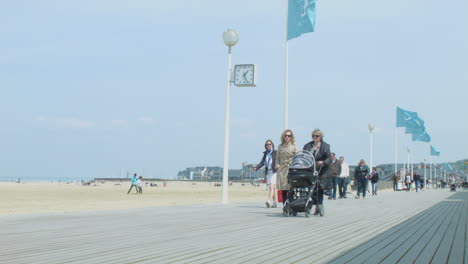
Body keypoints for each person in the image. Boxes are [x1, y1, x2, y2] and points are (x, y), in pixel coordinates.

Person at [303, 129, 331, 216]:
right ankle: (314, 203)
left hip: (321, 170)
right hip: (310, 169)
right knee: (311, 189)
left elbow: (329, 158)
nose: (315, 137)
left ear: (321, 137)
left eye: (317, 136)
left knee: (319, 189)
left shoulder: (325, 146)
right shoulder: (308, 145)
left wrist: (323, 162)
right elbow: (303, 155)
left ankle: (319, 206)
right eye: (313, 136)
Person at [275, 129, 298, 207]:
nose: (287, 137)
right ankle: (285, 205)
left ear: (291, 137)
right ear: (283, 136)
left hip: (291, 168)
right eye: (286, 135)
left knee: (290, 187)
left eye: (289, 135)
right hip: (282, 169)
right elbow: (277, 158)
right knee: (283, 188)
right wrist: (277, 165)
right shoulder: (280, 146)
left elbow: (297, 157)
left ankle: (291, 204)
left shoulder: (294, 145)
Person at [254, 139, 278, 208]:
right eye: (267, 144)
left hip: (274, 171)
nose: (268, 145)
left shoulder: (276, 152)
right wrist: (257, 167)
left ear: (272, 145)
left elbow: (279, 160)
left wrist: (279, 166)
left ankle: (269, 201)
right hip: (268, 172)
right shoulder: (265, 154)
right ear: (265, 146)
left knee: (271, 186)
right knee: (273, 188)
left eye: (270, 144)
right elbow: (262, 162)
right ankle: (275, 202)